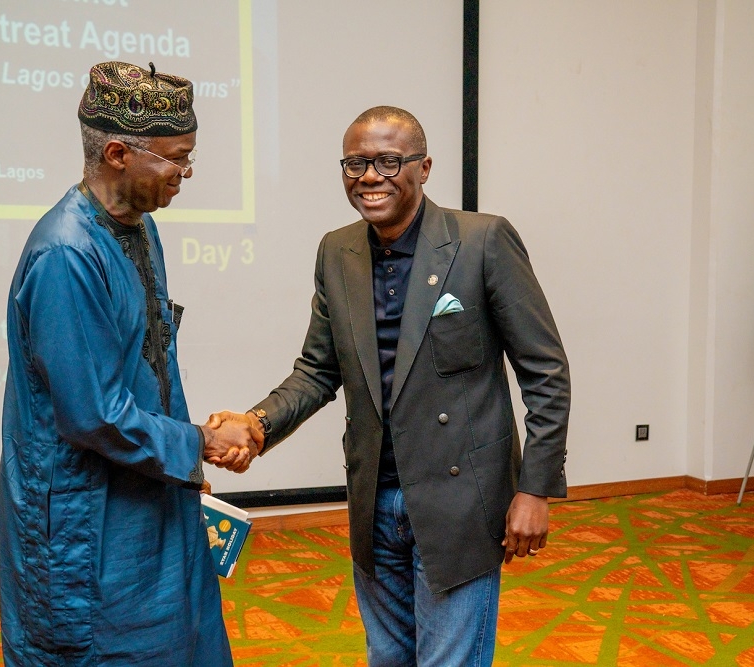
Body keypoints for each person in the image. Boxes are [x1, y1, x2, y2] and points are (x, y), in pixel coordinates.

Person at [210, 106, 571, 665]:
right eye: (356, 163)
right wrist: (257, 424)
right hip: (373, 502)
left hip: (461, 501)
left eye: (387, 161)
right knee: (389, 659)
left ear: (423, 168)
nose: (370, 177)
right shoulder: (338, 250)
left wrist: (535, 488)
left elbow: (545, 371)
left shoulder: (483, 241)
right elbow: (318, 368)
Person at [0, 61, 259, 666]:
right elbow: (94, 415)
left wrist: (191, 453)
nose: (187, 171)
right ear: (118, 152)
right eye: (176, 156)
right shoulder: (66, 253)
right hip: (88, 522)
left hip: (151, 493)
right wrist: (199, 443)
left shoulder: (138, 228)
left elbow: (150, 367)